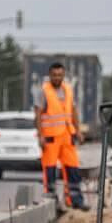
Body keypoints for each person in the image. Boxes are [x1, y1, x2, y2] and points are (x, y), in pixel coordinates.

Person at [34, 62, 88, 210]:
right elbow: (38, 114)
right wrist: (40, 136)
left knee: (73, 169)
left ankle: (76, 200)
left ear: (63, 75)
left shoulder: (68, 90)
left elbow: (73, 111)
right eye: (54, 75)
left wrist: (78, 130)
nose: (57, 77)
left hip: (67, 136)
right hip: (50, 138)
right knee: (50, 169)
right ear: (50, 75)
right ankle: (51, 200)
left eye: (60, 75)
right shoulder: (43, 91)